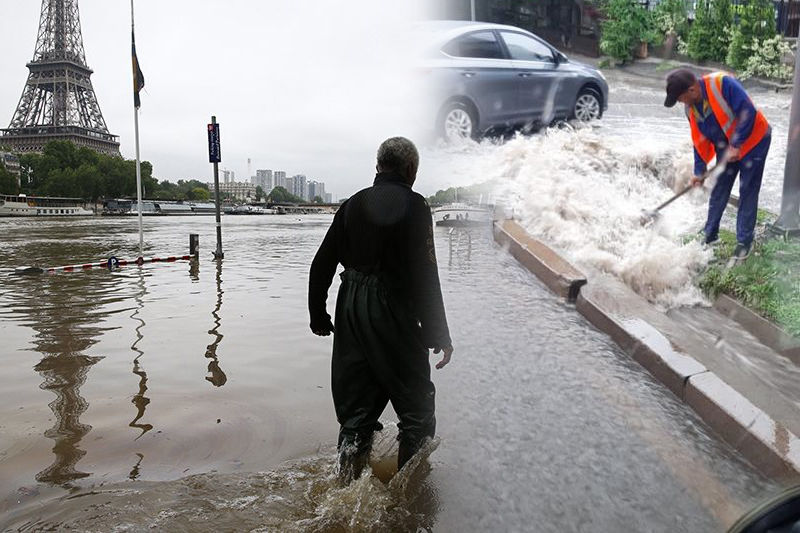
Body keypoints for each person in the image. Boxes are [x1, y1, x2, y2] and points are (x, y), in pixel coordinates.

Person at [308, 136, 454, 482]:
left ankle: (343, 491)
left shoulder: (351, 205)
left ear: (378, 167)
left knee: (356, 414)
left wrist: (319, 315)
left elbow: (321, 264)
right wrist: (438, 333)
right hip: (390, 309)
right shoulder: (415, 206)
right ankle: (408, 497)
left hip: (350, 308)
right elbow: (425, 275)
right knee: (417, 411)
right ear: (410, 170)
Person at [664, 68, 771, 261]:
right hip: (727, 147)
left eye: (680, 98)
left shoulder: (722, 84)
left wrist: (737, 144)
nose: (680, 103)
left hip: (755, 140)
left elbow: (748, 111)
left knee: (747, 189)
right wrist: (699, 171)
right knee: (720, 187)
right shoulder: (691, 109)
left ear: (692, 90)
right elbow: (700, 141)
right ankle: (710, 233)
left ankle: (743, 242)